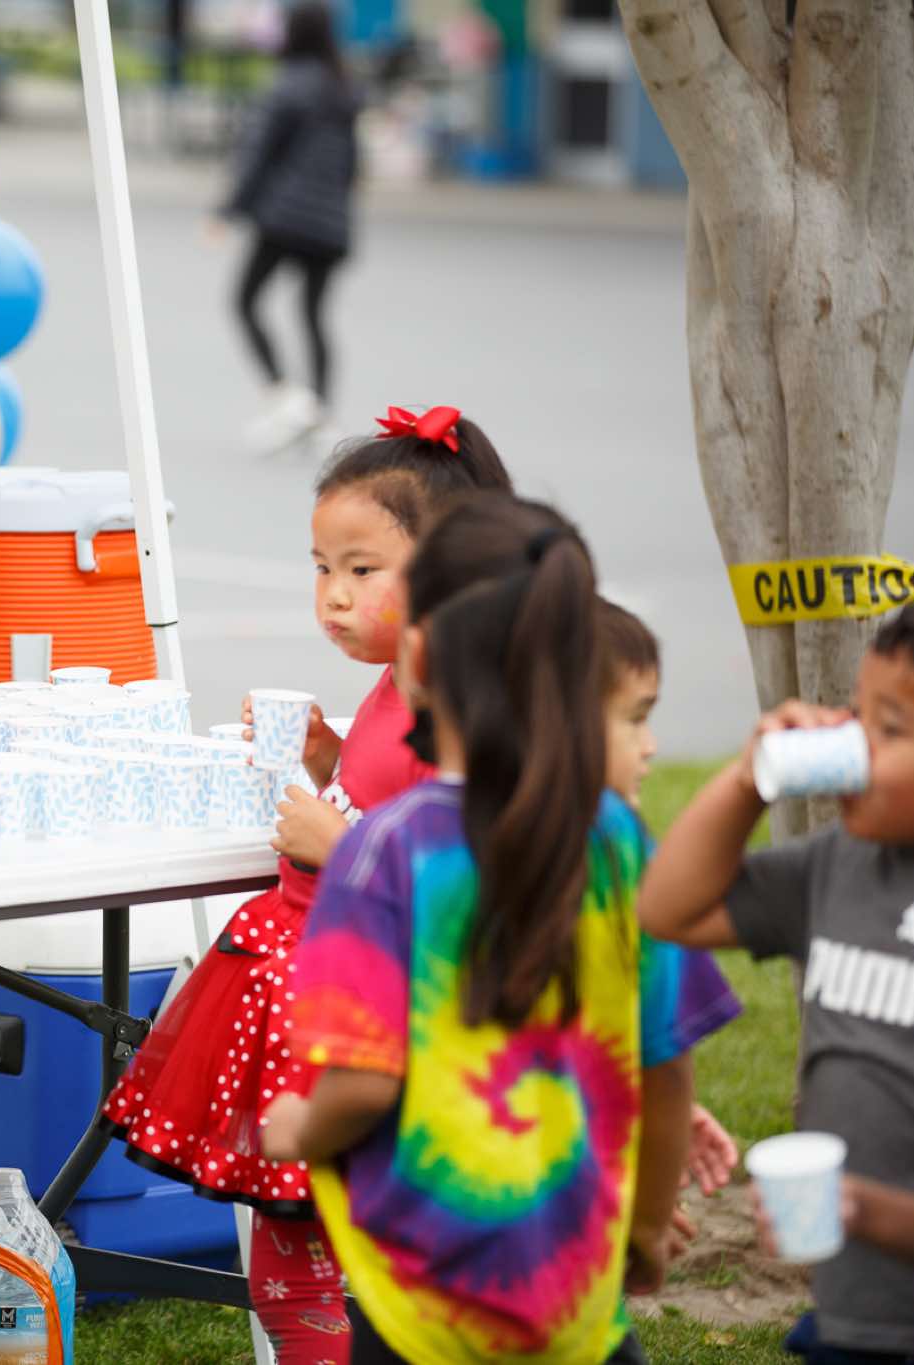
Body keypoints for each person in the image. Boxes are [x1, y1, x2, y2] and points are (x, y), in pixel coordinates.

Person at [262, 495, 741, 1363]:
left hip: (420, 1306)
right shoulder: (622, 842)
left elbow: (363, 1087)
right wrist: (642, 1231)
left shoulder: (382, 853)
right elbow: (667, 1065)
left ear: (416, 658)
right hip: (578, 1294)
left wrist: (298, 1127)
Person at [98, 404, 511, 1359]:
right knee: (293, 1241)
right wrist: (330, 758)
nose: (332, 596)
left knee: (339, 1225)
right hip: (312, 983)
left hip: (367, 1002)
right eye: (322, 568)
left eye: (362, 571)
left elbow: (465, 874)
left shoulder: (464, 704)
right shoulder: (397, 681)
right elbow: (389, 799)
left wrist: (341, 843)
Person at [641, 575, 914, 1364]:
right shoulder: (838, 863)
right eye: (855, 714)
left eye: (890, 729)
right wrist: (747, 780)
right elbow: (668, 907)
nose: (853, 745)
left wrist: (867, 1209)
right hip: (847, 1307)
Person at [598, 599, 741, 1213]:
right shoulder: (622, 854)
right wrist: (651, 1219)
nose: (651, 745)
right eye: (635, 719)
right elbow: (665, 1060)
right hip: (578, 1210)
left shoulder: (439, 838)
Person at [222, 0, 361, 456]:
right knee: (313, 315)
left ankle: (285, 395)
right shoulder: (344, 86)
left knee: (245, 301)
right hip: (331, 221)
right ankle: (321, 412)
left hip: (284, 217)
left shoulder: (287, 85)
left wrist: (229, 209)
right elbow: (352, 165)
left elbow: (259, 154)